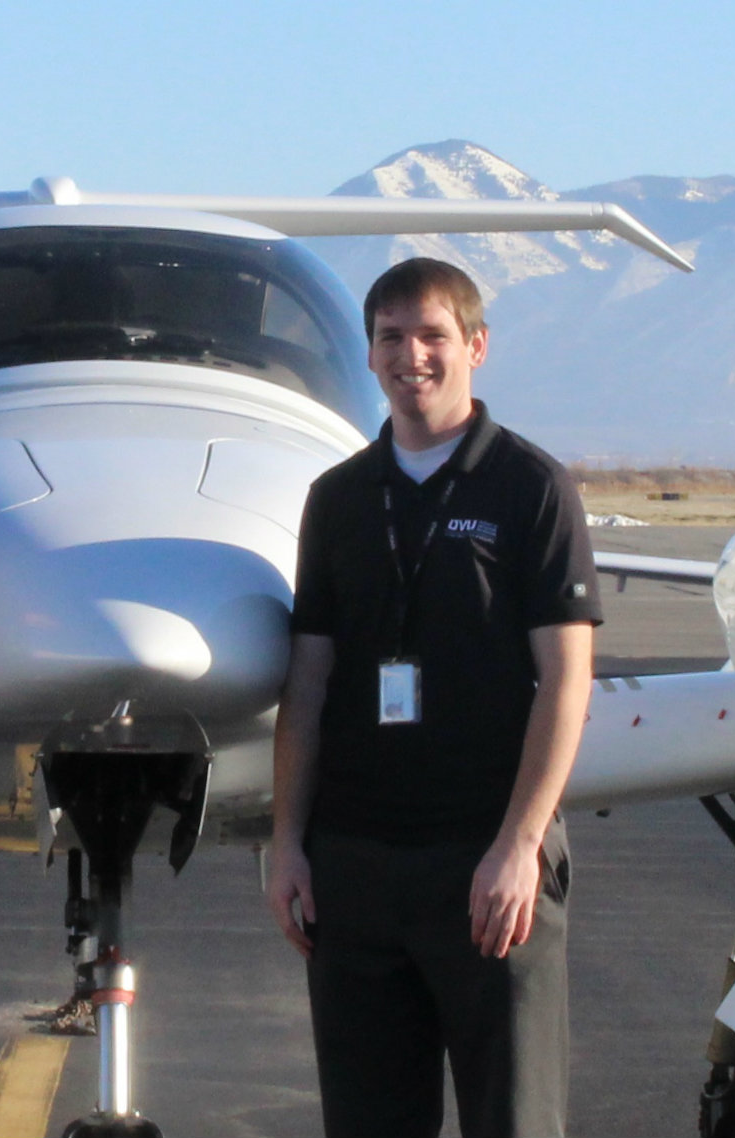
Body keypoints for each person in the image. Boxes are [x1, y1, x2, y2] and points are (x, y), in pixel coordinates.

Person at [268, 258, 599, 1137]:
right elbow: (307, 683)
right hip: (357, 869)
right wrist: (286, 844)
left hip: (486, 866)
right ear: (368, 355)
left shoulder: (530, 488)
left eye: (432, 336)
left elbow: (566, 679)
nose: (411, 355)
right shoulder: (337, 499)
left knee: (514, 1121)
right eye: (390, 338)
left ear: (475, 347)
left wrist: (520, 846)